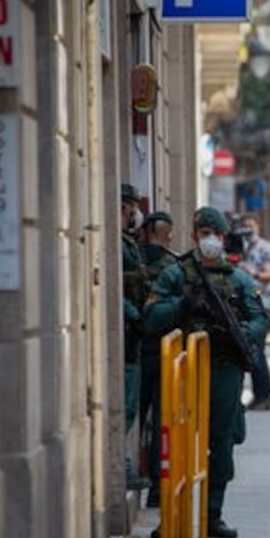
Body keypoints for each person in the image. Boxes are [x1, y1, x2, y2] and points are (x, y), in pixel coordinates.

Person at [144, 207, 269, 538]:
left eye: (216, 234)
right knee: (177, 441)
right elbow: (152, 317)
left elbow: (260, 320)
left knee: (222, 442)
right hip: (183, 368)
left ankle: (213, 514)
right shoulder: (177, 274)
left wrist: (238, 331)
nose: (210, 240)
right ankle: (172, 515)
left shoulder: (239, 279)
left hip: (224, 368)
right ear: (194, 236)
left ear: (225, 238)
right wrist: (183, 305)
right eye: (204, 234)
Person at [138, 210, 176, 505]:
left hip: (137, 349)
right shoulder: (173, 267)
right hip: (162, 349)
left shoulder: (132, 257)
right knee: (162, 420)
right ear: (166, 234)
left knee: (135, 414)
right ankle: (156, 488)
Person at [120, 183, 149, 490]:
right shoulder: (118, 241)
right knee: (126, 401)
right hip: (127, 328)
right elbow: (116, 282)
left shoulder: (128, 240)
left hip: (135, 330)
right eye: (133, 206)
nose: (136, 213)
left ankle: (125, 464)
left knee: (131, 399)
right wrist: (135, 316)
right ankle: (123, 465)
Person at [238, 214, 270, 411]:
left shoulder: (265, 248)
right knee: (252, 352)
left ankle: (265, 397)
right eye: (244, 226)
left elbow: (268, 275)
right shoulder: (240, 248)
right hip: (244, 306)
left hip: (262, 305)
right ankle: (260, 397)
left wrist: (250, 271)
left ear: (258, 226)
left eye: (251, 225)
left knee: (257, 352)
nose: (248, 229)